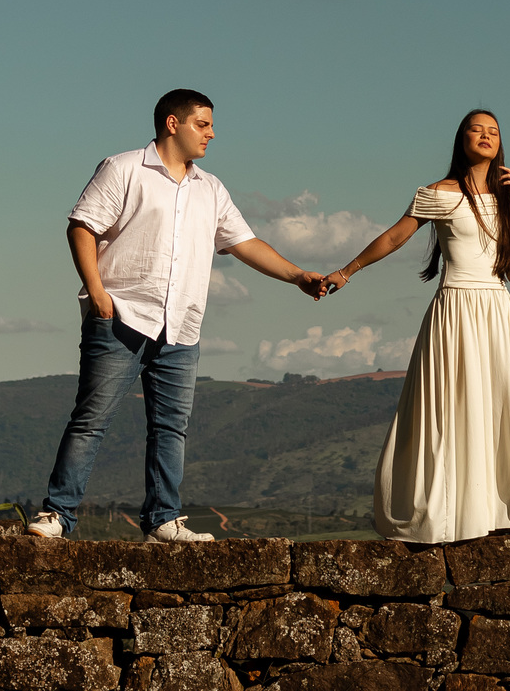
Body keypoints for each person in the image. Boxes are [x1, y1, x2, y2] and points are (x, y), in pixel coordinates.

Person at [28, 89, 326, 542]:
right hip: (122, 316)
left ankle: (163, 520)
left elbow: (244, 242)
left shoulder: (211, 188)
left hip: (182, 326)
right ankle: (58, 515)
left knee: (171, 428)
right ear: (173, 123)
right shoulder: (124, 168)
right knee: (92, 420)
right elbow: (82, 226)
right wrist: (97, 292)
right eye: (202, 124)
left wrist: (297, 275)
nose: (211, 133)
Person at [323, 108, 510, 544]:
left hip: (498, 312)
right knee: (452, 408)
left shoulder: (505, 199)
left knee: (507, 403)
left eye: (493, 132)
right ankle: (448, 516)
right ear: (461, 139)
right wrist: (346, 271)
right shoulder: (438, 193)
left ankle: (508, 510)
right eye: (476, 129)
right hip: (456, 310)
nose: (485, 136)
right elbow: (394, 236)